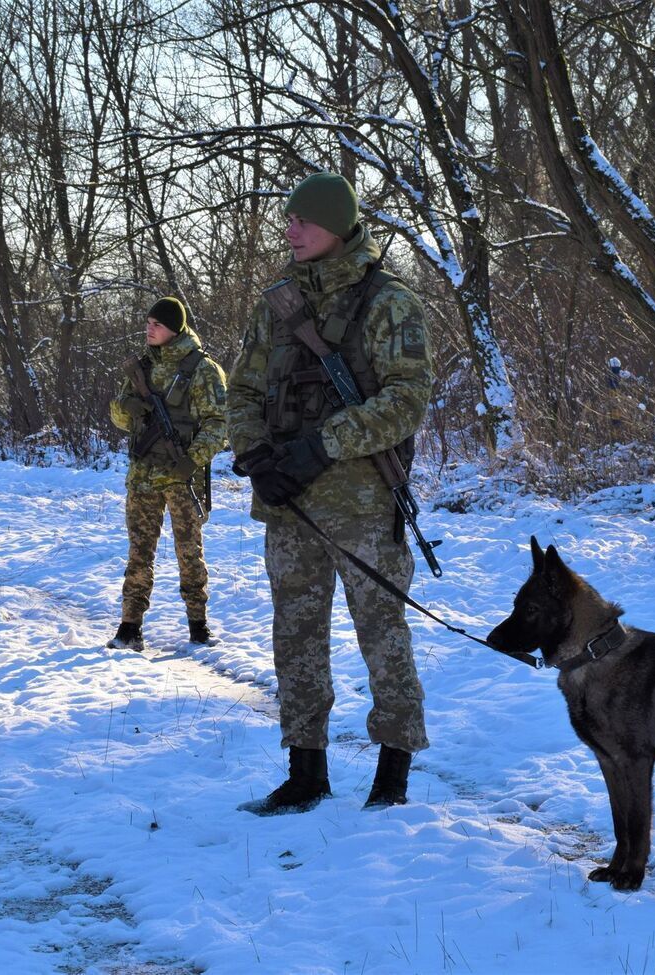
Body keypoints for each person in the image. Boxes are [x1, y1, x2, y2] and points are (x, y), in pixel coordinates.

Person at [226, 172, 434, 814]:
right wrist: (255, 456)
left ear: (338, 226)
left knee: (382, 634)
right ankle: (305, 772)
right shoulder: (277, 304)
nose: (290, 230)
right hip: (289, 502)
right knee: (295, 635)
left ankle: (392, 776)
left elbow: (407, 400)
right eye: (288, 220)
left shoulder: (389, 302)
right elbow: (243, 389)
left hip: (363, 503)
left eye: (303, 220)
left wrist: (324, 445)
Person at [108, 296, 228, 652]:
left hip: (182, 478)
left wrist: (192, 460)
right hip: (143, 476)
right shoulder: (142, 367)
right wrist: (128, 407)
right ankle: (129, 627)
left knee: (189, 553)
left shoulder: (202, 369)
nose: (149, 329)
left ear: (175, 328)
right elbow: (119, 418)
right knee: (139, 553)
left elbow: (219, 424)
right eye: (148, 323)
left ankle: (198, 625)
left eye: (157, 324)